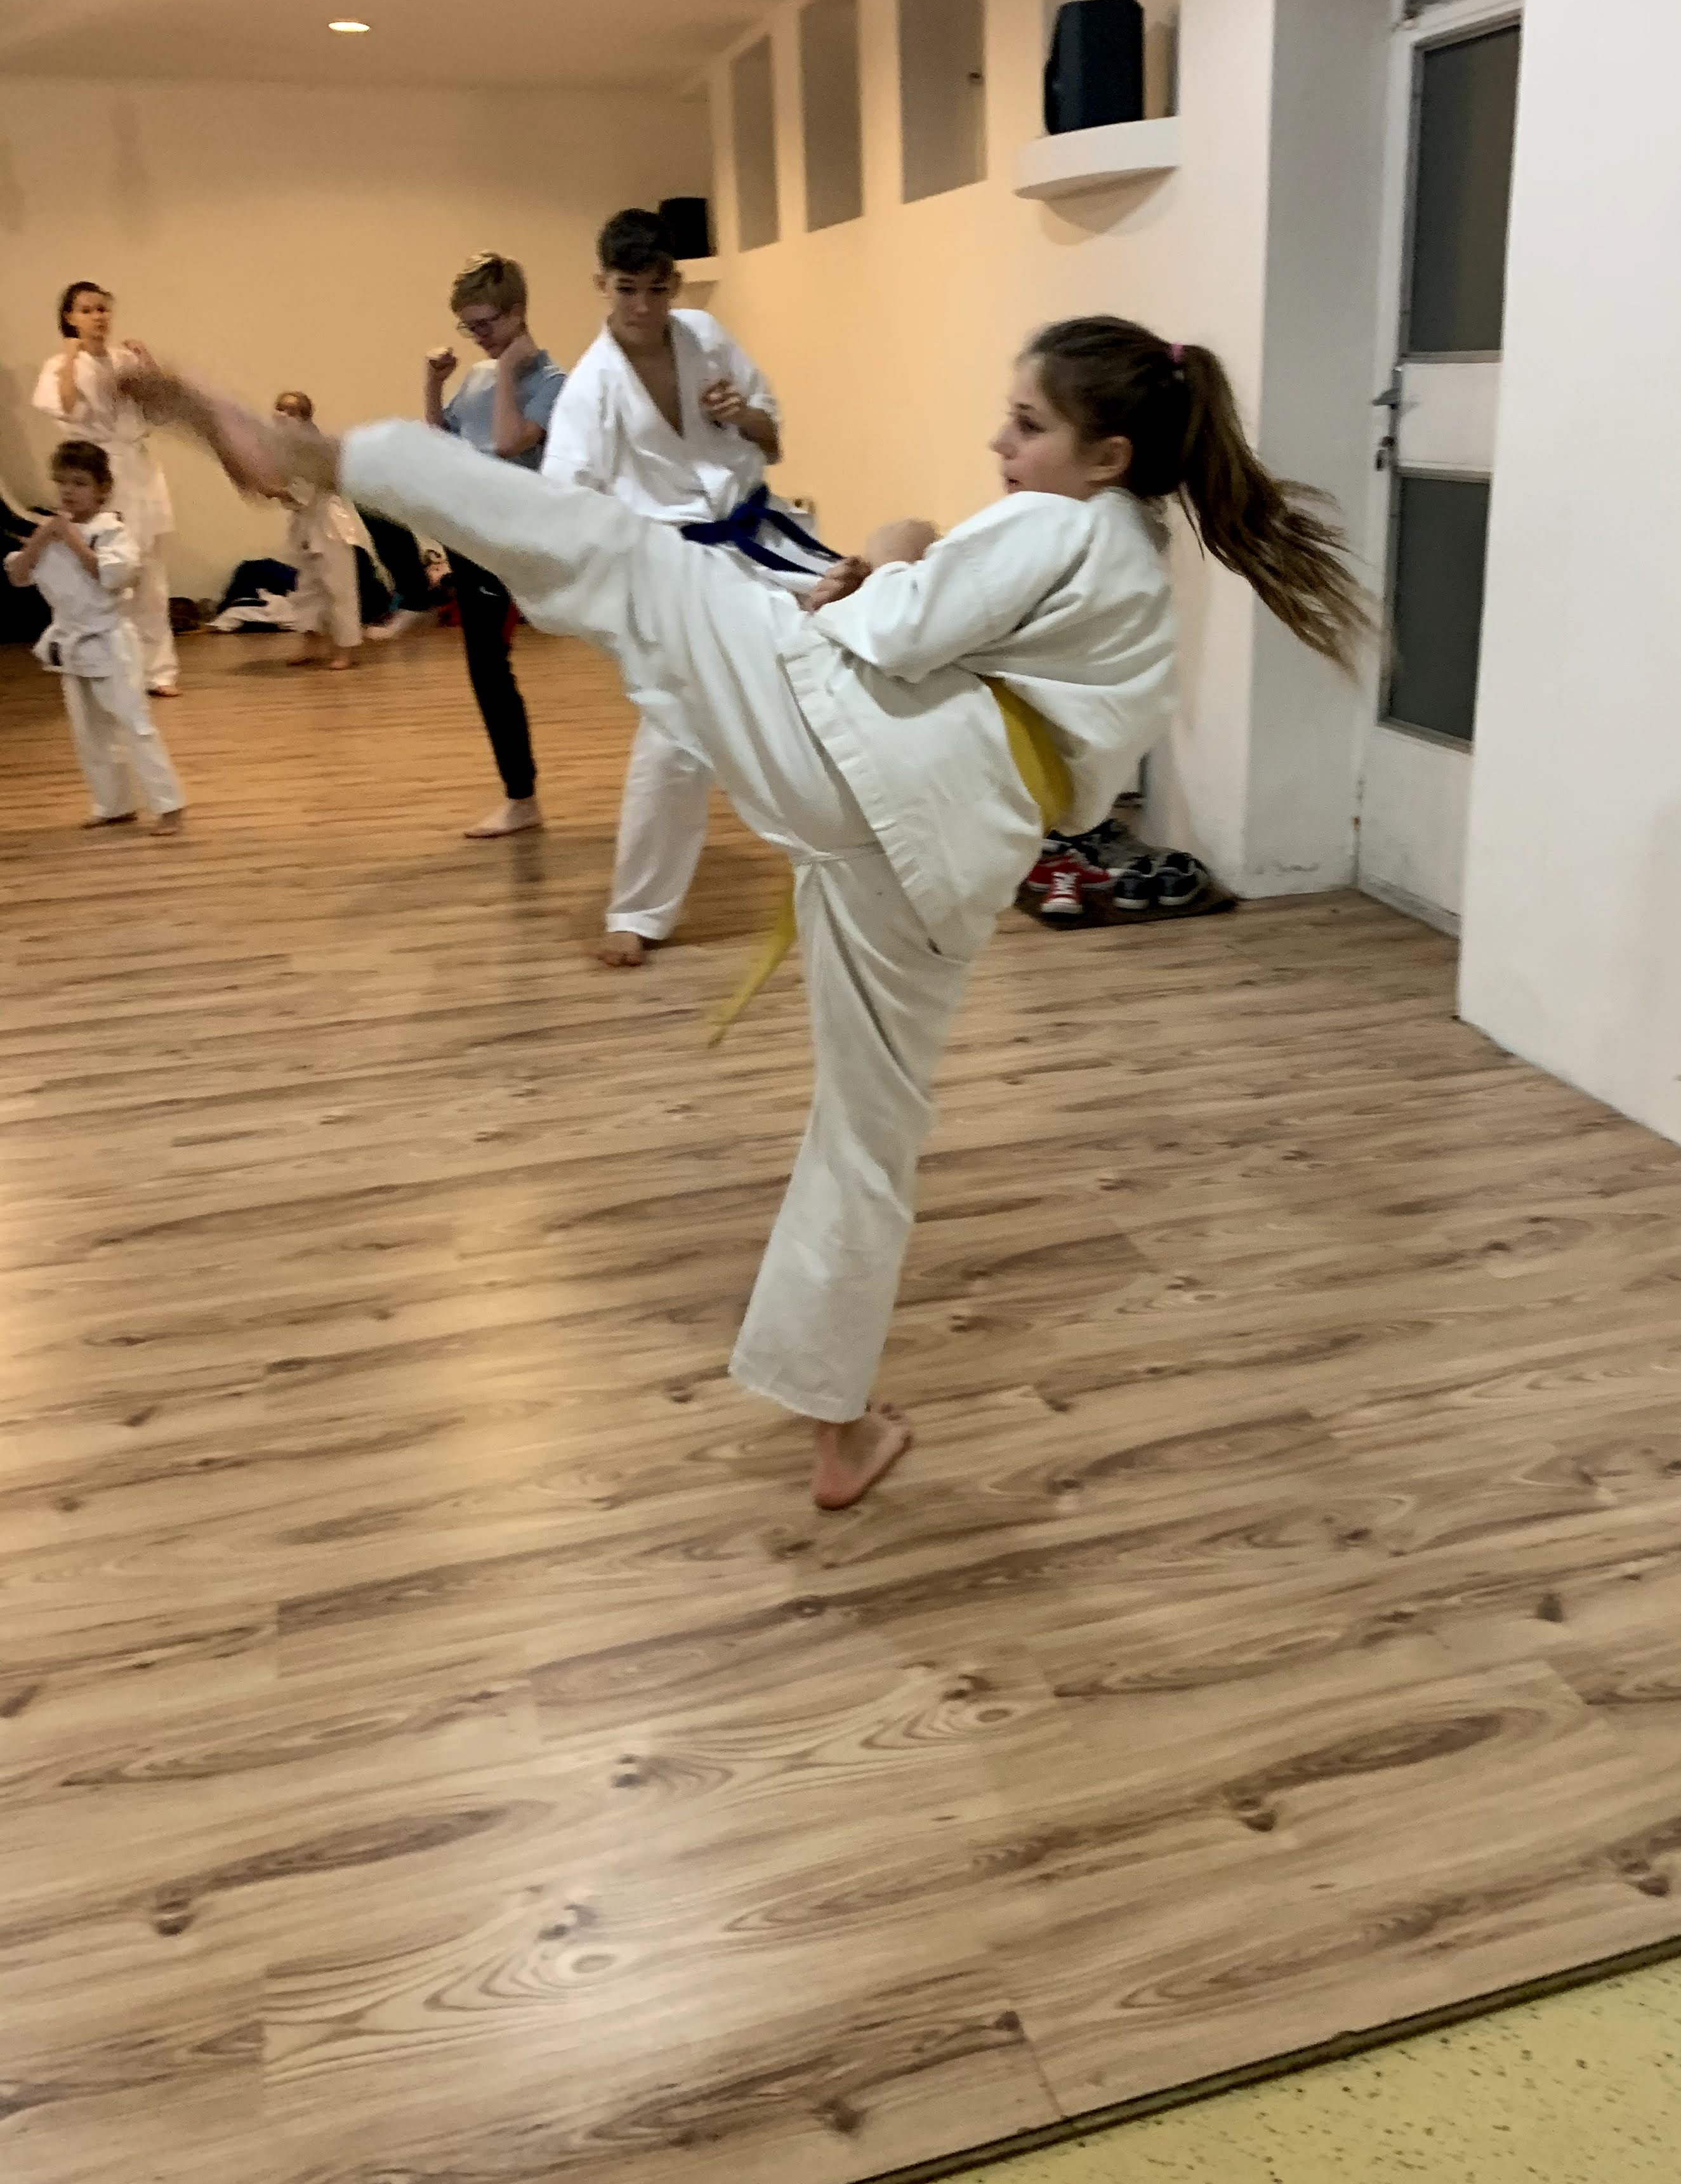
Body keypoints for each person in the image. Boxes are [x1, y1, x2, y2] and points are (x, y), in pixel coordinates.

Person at [126, 317, 1366, 1509]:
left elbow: (903, 627)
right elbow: (1063, 751)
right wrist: (895, 573)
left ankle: (324, 457)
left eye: (1028, 423)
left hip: (854, 751)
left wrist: (875, 572)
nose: (1002, 441)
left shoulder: (1062, 519)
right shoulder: (1137, 573)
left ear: (1109, 456)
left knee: (622, 558)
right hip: (943, 848)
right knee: (869, 1130)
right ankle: (841, 1426)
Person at [543, 206, 831, 968]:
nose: (644, 306)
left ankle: (878, 854)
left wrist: (745, 416)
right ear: (602, 284)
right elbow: (567, 506)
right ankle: (637, 911)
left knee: (848, 655)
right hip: (675, 571)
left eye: (658, 289)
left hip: (761, 539)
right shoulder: (591, 389)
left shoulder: (704, 337)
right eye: (627, 289)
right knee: (675, 731)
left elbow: (771, 435)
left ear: (676, 283)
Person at [417, 251, 567, 836]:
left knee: (494, 664)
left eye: (484, 324)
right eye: (468, 326)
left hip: (518, 539)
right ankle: (522, 799)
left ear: (517, 313)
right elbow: (441, 442)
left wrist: (507, 370)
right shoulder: (477, 376)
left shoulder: (553, 383)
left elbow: (508, 443)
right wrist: (434, 384)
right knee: (486, 666)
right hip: (472, 535)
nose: (477, 336)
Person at [6, 439, 185, 834]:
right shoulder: (50, 532)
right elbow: (18, 575)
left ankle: (169, 805)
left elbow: (111, 576)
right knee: (90, 732)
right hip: (72, 641)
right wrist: (43, 537)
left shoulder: (113, 531)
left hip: (111, 640)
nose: (68, 491)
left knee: (135, 724)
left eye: (80, 483)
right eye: (62, 482)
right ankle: (114, 804)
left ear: (103, 489)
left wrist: (70, 537)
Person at [32, 283, 180, 696]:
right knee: (105, 571)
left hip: (138, 470)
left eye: (102, 309)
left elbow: (160, 411)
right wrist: (70, 356)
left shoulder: (125, 361)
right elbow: (66, 407)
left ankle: (159, 671)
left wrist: (148, 366)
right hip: (95, 472)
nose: (98, 317)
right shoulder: (59, 365)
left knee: (150, 575)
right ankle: (111, 670)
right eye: (86, 310)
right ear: (70, 318)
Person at [273, 391, 374, 669]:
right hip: (306, 526)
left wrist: (268, 489)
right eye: (279, 409)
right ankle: (310, 642)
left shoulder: (313, 446)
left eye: (290, 411)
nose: (281, 415)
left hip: (331, 525)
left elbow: (302, 492)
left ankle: (345, 649)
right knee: (307, 588)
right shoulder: (284, 447)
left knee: (338, 589)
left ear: (304, 416)